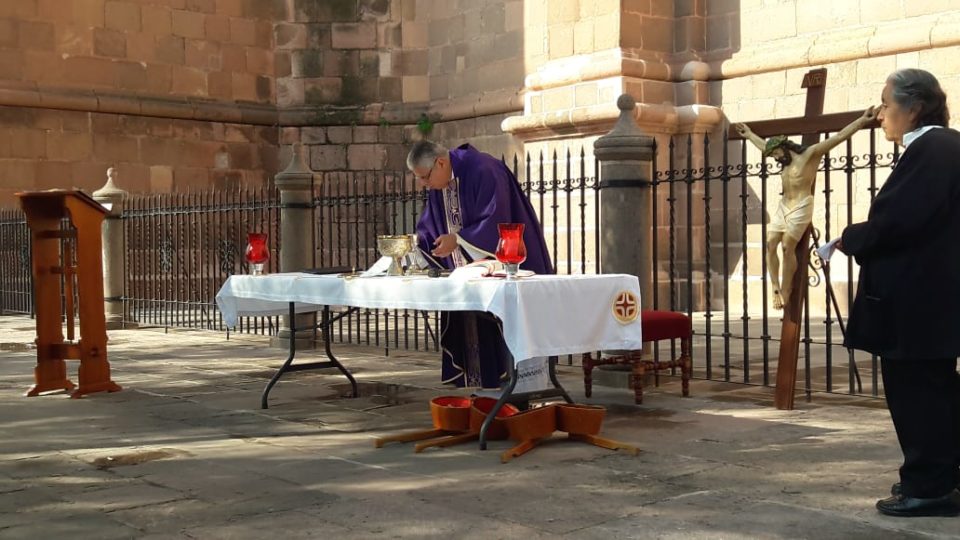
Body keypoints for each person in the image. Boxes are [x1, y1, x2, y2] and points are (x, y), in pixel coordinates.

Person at [837, 69, 960, 517]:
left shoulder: (932, 148)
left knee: (917, 395)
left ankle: (928, 486)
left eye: (886, 104)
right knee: (937, 390)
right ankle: (941, 476)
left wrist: (849, 238)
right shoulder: (944, 148)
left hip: (918, 305)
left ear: (914, 107)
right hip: (932, 299)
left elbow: (900, 221)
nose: (880, 114)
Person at [407, 140, 553, 389]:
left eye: (424, 177)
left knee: (505, 337)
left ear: (441, 163)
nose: (423, 184)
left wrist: (459, 240)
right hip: (469, 275)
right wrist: (414, 252)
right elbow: (430, 228)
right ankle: (478, 392)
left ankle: (513, 394)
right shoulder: (439, 184)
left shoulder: (484, 169)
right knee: (473, 334)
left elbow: (498, 219)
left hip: (508, 266)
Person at [735, 108, 876, 309]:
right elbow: (764, 145)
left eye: (775, 154)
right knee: (770, 243)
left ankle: (786, 288)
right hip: (784, 206)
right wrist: (749, 135)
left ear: (784, 147)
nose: (775, 158)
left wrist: (861, 121)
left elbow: (838, 137)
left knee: (786, 246)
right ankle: (774, 286)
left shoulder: (810, 155)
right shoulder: (783, 161)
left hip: (801, 205)